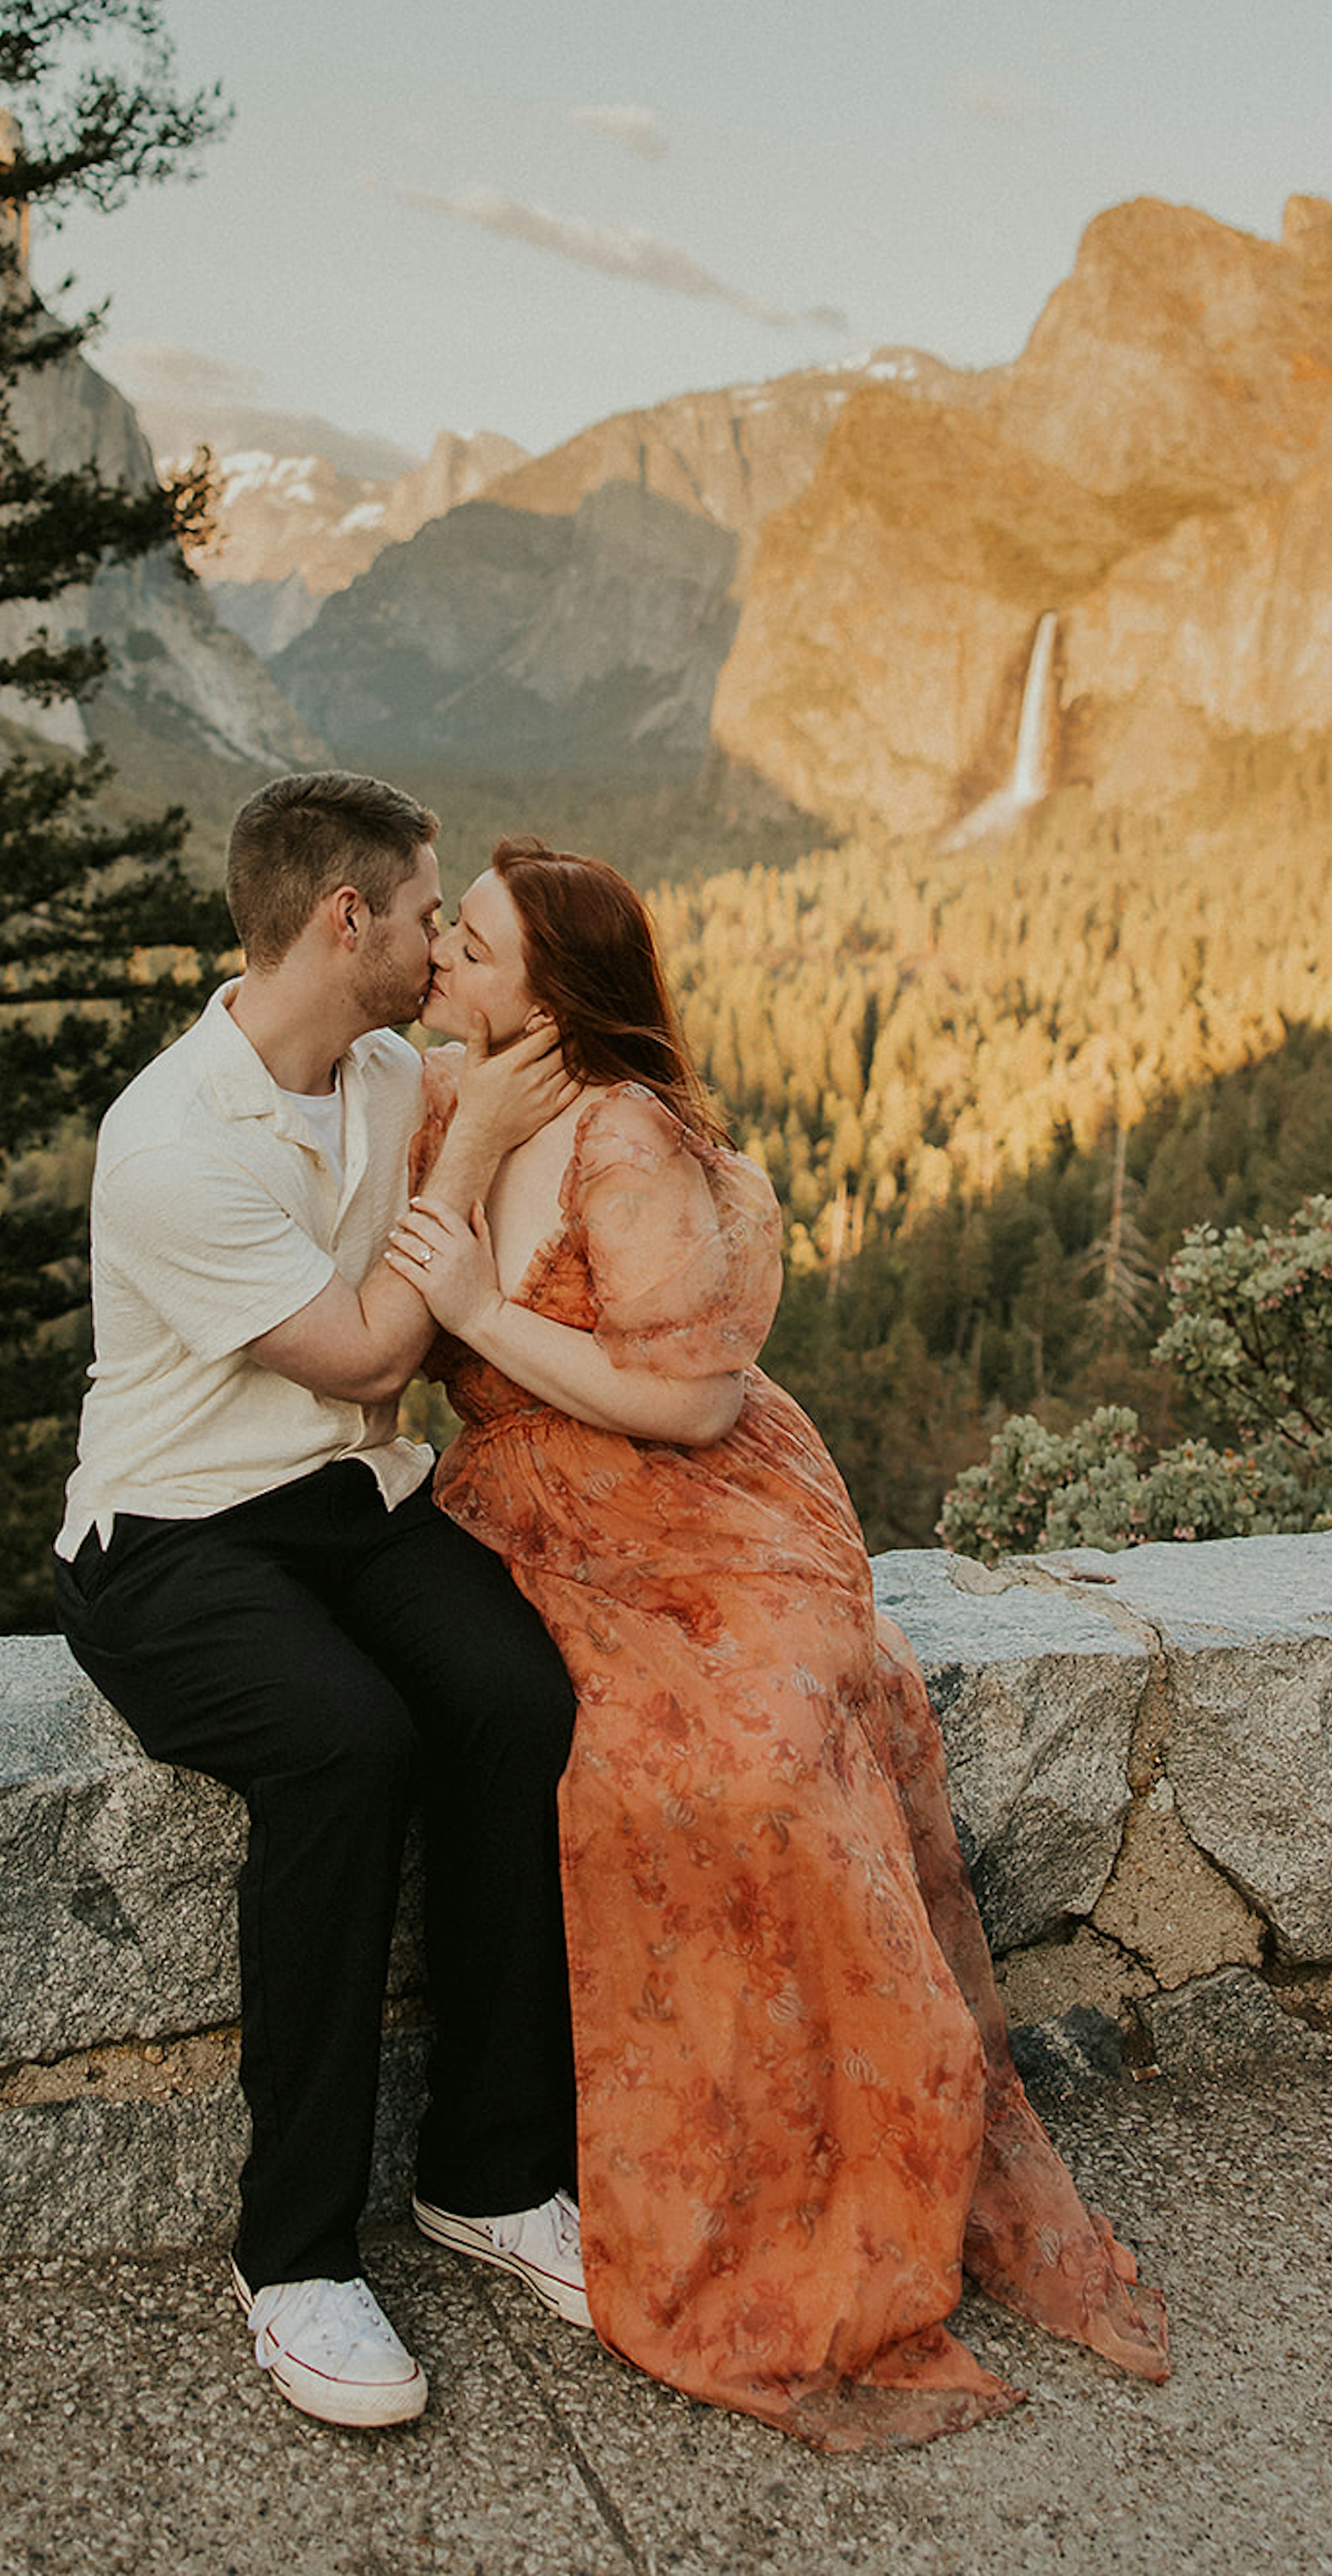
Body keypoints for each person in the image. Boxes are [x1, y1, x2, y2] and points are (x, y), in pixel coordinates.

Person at [384, 837, 1170, 2453]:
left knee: (743, 1757)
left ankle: (817, 2174)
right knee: (591, 1755)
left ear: (553, 996)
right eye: (444, 936)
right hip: (519, 1513)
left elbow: (689, 1401)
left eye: (471, 945)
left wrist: (476, 1310)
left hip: (697, 1510)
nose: (440, 961)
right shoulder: (437, 1098)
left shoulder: (629, 1135)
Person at [55, 775, 589, 2432]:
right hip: (175, 1536)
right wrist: (489, 1133)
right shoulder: (168, 1145)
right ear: (344, 921)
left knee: (518, 1699)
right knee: (344, 1746)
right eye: (427, 913)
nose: (442, 943)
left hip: (352, 1502)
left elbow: (510, 1051)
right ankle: (292, 2257)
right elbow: (365, 1351)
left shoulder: (376, 1069)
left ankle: (493, 2175)